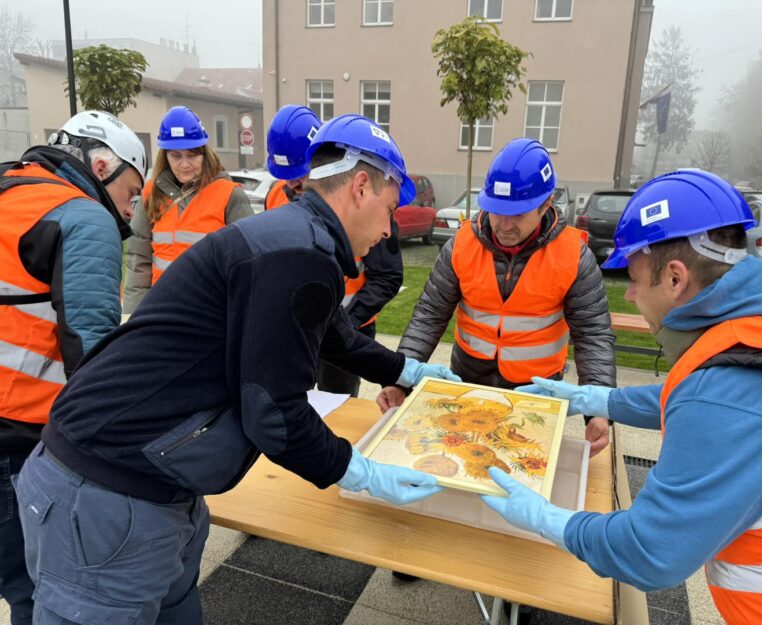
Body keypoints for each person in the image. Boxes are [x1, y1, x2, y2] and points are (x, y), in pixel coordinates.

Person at [14, 114, 458, 625]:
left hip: (153, 488)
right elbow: (275, 414)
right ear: (361, 187)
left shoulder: (294, 237)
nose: (387, 230)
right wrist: (360, 473)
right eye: (390, 209)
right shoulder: (299, 252)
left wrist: (407, 371)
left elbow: (335, 336)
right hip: (105, 496)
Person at [482, 170, 762, 625]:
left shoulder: (732, 392)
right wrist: (596, 400)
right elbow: (691, 395)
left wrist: (548, 520)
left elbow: (649, 551)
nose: (629, 295)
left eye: (633, 279)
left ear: (674, 278)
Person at [378, 138, 616, 456]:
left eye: (517, 214)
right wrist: (400, 379)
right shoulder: (461, 245)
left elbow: (593, 335)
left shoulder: (574, 256)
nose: (504, 224)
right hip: (468, 382)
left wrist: (598, 409)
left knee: (523, 466)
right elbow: (428, 316)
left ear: (546, 204)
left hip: (537, 393)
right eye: (496, 211)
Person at [0, 110, 146, 625]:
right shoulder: (84, 217)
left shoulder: (8, 191)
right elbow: (92, 354)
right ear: (101, 166)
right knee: (41, 593)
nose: (131, 209)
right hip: (19, 442)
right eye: (132, 191)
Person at [266, 104, 404, 396]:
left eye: (300, 175)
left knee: (338, 405)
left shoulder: (369, 211)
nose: (295, 185)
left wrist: (343, 328)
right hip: (297, 328)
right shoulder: (276, 197)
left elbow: (387, 277)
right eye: (287, 177)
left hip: (349, 327)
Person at [123, 105, 253, 314]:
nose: (184, 164)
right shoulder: (151, 194)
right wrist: (134, 316)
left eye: (192, 155)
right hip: (160, 309)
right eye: (176, 156)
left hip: (209, 312)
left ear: (204, 153)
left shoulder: (230, 196)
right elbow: (138, 261)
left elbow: (247, 264)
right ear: (165, 156)